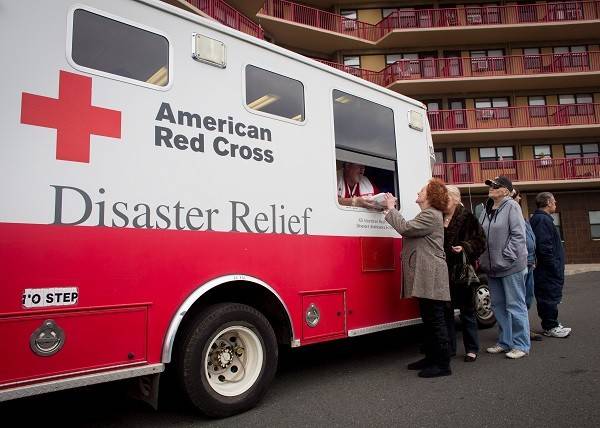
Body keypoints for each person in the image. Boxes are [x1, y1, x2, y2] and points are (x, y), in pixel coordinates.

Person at [382, 179, 451, 378]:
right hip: (428, 274)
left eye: (422, 191)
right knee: (429, 318)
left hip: (431, 274)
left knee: (435, 320)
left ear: (430, 196)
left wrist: (391, 208)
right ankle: (431, 358)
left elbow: (405, 228)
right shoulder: (429, 214)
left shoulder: (431, 215)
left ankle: (442, 364)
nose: (418, 193)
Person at [479, 176, 530, 359]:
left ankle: (521, 345)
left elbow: (518, 236)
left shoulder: (512, 206)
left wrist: (506, 257)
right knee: (498, 306)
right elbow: (480, 235)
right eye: (490, 185)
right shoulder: (485, 209)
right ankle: (505, 341)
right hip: (492, 268)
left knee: (515, 306)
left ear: (506, 191)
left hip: (510, 266)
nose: (491, 188)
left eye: (496, 186)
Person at [443, 185, 486, 362]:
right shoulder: (439, 216)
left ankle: (472, 349)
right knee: (446, 312)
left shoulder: (467, 217)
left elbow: (481, 241)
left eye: (445, 198)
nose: (442, 201)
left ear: (454, 198)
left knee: (467, 311)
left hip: (462, 270)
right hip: (443, 270)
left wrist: (465, 247)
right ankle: (450, 348)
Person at [529, 192, 571, 338]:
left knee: (549, 295)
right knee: (548, 296)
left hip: (546, 268)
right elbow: (544, 246)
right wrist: (553, 266)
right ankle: (550, 326)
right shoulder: (542, 219)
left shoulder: (541, 218)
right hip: (546, 270)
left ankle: (552, 323)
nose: (555, 202)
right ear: (547, 202)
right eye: (553, 201)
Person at [512, 188, 543, 341]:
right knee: (519, 299)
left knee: (527, 298)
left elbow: (530, 238)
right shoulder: (512, 215)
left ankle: (524, 328)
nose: (519, 198)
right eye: (517, 196)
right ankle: (519, 332)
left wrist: (534, 258)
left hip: (530, 262)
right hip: (520, 263)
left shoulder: (522, 216)